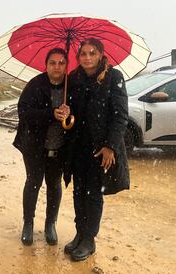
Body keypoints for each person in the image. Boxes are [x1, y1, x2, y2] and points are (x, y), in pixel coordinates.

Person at [64, 38, 130, 261]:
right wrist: (65, 114)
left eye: (92, 53)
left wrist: (110, 146)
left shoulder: (114, 77)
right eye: (83, 53)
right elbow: (73, 114)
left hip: (100, 149)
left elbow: (120, 115)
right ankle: (79, 233)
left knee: (93, 194)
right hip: (78, 147)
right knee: (78, 192)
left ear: (101, 54)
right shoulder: (73, 78)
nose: (87, 58)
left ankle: (89, 240)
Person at [13, 48, 70, 246]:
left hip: (60, 147)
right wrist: (51, 113)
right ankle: (28, 223)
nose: (57, 66)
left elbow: (80, 116)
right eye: (53, 63)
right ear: (46, 65)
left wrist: (70, 114)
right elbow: (24, 113)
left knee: (54, 185)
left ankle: (50, 224)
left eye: (61, 62)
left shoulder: (71, 87)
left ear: (66, 65)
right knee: (33, 182)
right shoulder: (35, 85)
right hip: (35, 146)